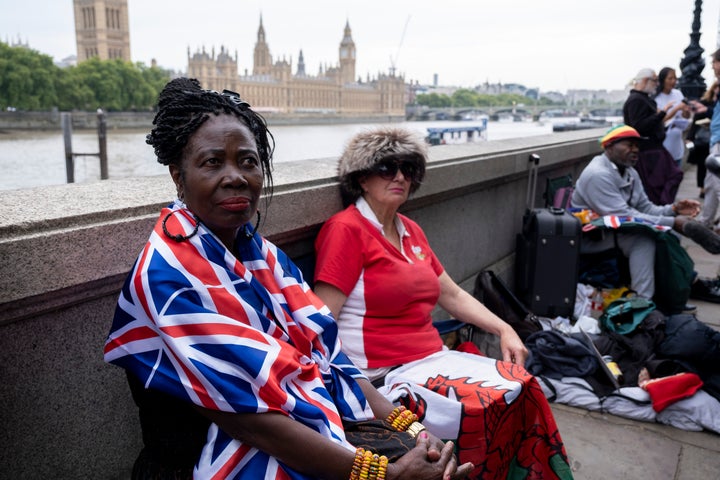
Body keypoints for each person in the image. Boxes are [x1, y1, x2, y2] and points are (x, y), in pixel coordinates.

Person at [103, 78, 474, 480]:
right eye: (213, 162)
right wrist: (386, 475)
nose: (236, 177)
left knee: (440, 464)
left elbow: (329, 362)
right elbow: (248, 421)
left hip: (298, 425)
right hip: (210, 456)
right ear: (178, 176)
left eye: (248, 161)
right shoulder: (168, 276)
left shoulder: (262, 255)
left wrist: (416, 431)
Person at [313, 127, 573, 480]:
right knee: (491, 405)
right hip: (384, 373)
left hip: (432, 359)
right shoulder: (346, 230)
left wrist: (504, 328)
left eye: (409, 168)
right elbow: (320, 322)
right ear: (361, 179)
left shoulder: (411, 232)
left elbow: (451, 294)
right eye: (387, 168)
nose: (400, 176)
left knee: (524, 386)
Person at [571, 124, 720, 306]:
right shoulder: (597, 174)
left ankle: (682, 285)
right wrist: (674, 222)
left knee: (666, 234)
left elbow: (646, 209)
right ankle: (643, 303)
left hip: (614, 230)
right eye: (629, 145)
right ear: (609, 146)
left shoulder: (630, 172)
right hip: (592, 237)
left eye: (637, 146)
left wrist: (673, 209)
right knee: (643, 240)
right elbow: (623, 216)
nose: (635, 150)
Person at [623, 68, 685, 205]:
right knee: (655, 188)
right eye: (655, 80)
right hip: (648, 152)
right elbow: (638, 126)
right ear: (645, 80)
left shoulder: (643, 99)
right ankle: (661, 211)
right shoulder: (636, 100)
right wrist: (662, 114)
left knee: (671, 177)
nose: (657, 84)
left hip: (654, 150)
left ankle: (663, 209)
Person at [690, 50, 720, 231]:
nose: (712, 67)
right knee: (710, 184)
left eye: (714, 63)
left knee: (717, 183)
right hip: (715, 139)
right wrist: (706, 110)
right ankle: (705, 221)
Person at [654, 67, 691, 166]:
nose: (673, 81)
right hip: (664, 144)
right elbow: (660, 120)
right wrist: (676, 109)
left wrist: (686, 111)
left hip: (677, 144)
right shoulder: (656, 98)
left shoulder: (678, 94)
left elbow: (685, 116)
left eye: (675, 78)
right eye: (670, 79)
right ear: (663, 80)